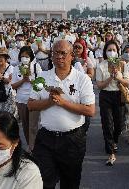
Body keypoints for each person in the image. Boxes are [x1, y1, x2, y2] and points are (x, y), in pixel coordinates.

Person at [27, 40, 95, 189]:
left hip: (72, 140)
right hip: (46, 139)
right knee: (44, 182)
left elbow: (90, 110)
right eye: (55, 53)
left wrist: (63, 103)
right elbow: (31, 105)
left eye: (63, 53)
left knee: (70, 183)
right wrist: (49, 102)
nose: (59, 56)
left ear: (72, 55)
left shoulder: (82, 79)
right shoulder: (42, 78)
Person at [96, 40, 129, 166]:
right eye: (109, 50)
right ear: (105, 51)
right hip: (106, 96)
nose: (111, 52)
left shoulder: (122, 64)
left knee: (119, 122)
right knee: (107, 124)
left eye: (114, 50)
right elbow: (99, 85)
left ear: (117, 52)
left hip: (119, 95)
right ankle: (110, 152)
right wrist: (110, 77)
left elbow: (127, 83)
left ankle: (114, 141)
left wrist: (118, 77)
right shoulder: (101, 66)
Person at [11, 46, 42, 150]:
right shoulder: (16, 68)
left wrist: (30, 79)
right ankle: (30, 145)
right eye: (22, 56)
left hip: (34, 99)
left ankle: (33, 148)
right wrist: (23, 80)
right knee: (25, 125)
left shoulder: (36, 67)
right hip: (21, 100)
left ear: (31, 57)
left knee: (33, 125)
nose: (24, 58)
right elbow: (13, 86)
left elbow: (41, 85)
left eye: (27, 56)